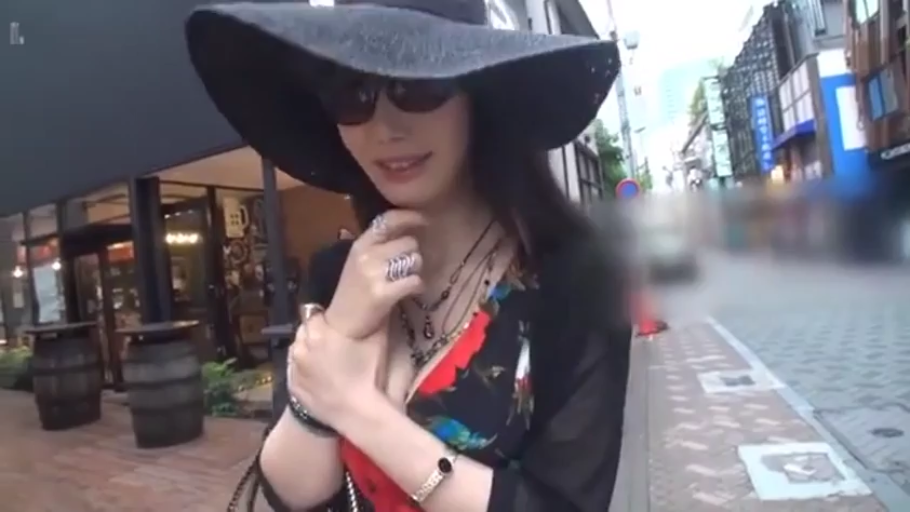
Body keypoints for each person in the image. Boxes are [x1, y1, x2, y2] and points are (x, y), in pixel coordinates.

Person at [185, 0, 630, 510]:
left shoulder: (574, 278)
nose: (385, 128)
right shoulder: (338, 275)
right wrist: (341, 330)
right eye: (354, 95)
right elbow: (291, 493)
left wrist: (358, 412)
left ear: (476, 92)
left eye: (418, 87)